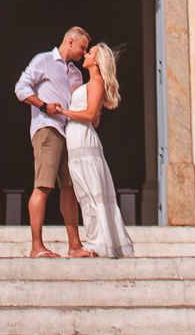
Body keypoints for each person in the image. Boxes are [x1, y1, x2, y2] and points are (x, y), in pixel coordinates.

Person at [14, 26, 95, 258]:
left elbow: (78, 106)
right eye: (82, 47)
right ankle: (36, 246)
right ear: (70, 41)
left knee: (69, 188)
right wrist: (43, 106)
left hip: (70, 134)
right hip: (47, 129)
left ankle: (74, 245)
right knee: (43, 185)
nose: (84, 52)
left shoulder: (77, 74)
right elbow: (20, 88)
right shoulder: (43, 60)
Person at [63, 41, 134, 258]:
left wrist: (64, 112)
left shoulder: (95, 84)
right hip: (78, 139)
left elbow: (90, 116)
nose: (85, 54)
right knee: (86, 193)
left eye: (90, 52)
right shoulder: (91, 84)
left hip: (83, 141)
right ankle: (97, 241)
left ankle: (99, 243)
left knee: (91, 192)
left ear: (96, 61)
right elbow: (95, 121)